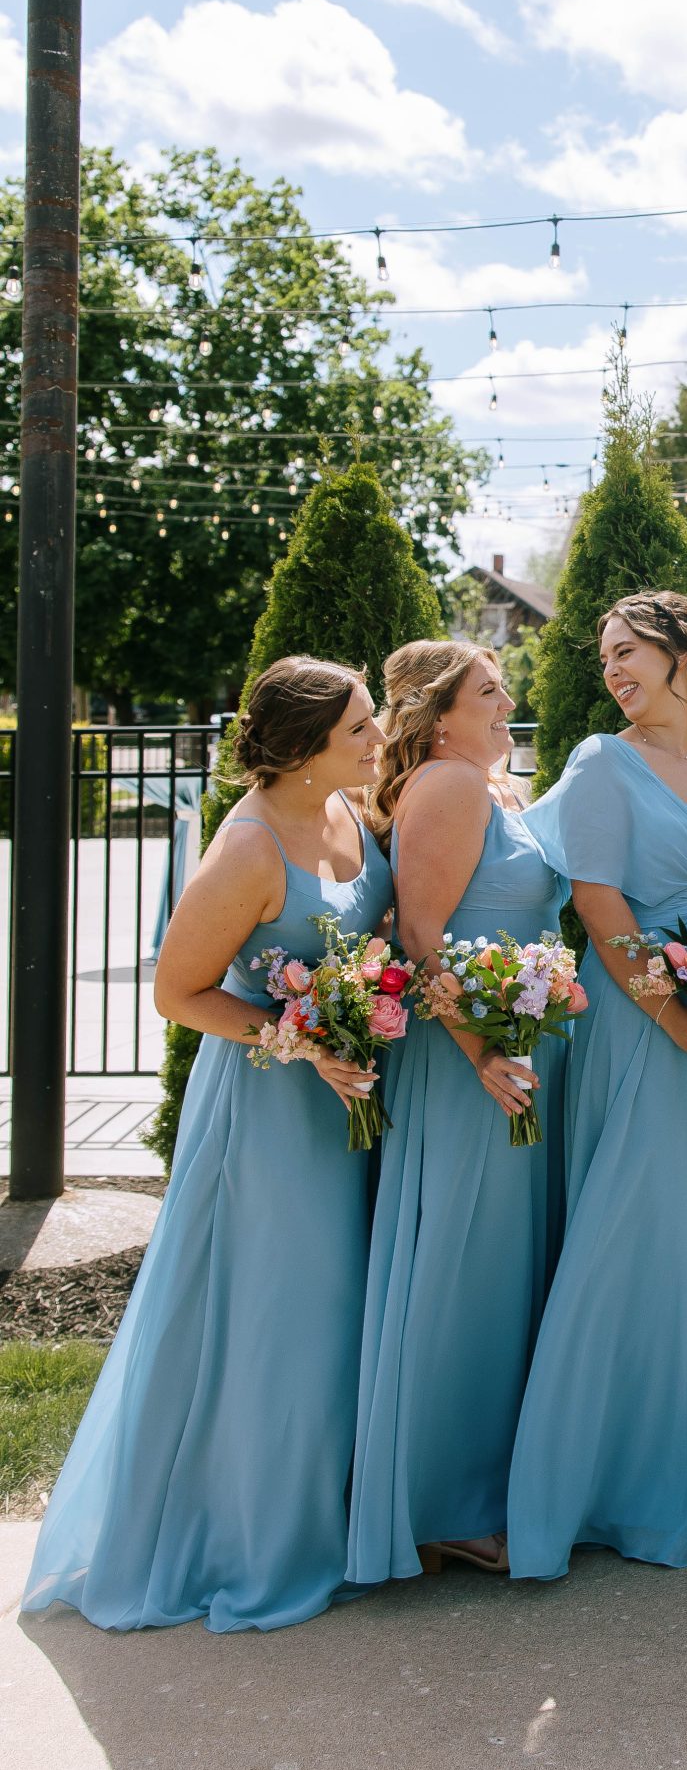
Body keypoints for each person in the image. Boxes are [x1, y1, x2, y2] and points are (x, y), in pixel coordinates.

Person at [25, 659, 392, 1630]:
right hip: (271, 1115)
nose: (376, 736)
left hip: (348, 1102)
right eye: (359, 726)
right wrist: (304, 1039)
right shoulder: (247, 848)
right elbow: (179, 992)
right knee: (277, 1320)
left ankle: (330, 1516)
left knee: (342, 1311)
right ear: (307, 744)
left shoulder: (353, 813)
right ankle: (252, 1540)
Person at [507, 592, 687, 1576]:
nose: (613, 668)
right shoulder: (600, 764)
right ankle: (603, 1485)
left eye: (630, 650)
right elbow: (604, 912)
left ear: (683, 652)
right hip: (644, 1029)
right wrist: (685, 1023)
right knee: (633, 1243)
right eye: (605, 655)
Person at [345, 641, 569, 1584]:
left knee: (498, 1268)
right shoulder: (448, 784)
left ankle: (478, 1488)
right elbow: (417, 934)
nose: (507, 700)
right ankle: (441, 1504)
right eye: (488, 692)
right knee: (462, 1268)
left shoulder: (491, 783)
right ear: (440, 718)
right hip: (468, 1062)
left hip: (507, 1047)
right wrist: (480, 1049)